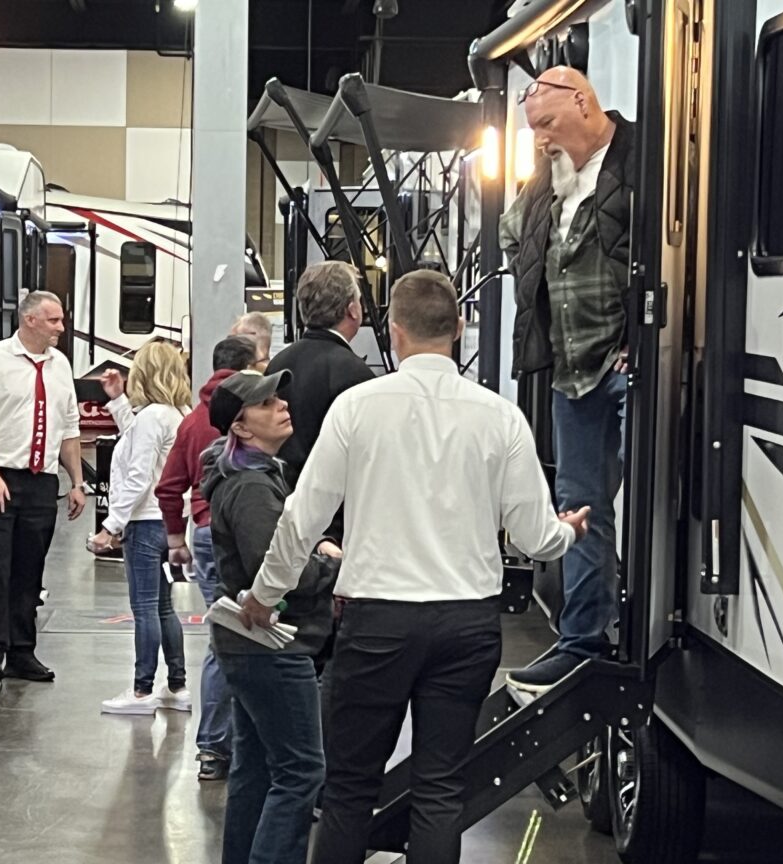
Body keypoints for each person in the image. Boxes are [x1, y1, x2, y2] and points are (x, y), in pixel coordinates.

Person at [241, 270, 589, 864]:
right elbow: (534, 535)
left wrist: (263, 595)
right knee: (440, 791)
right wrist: (567, 532)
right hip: (466, 627)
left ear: (394, 333)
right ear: (457, 329)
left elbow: (302, 519)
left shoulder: (357, 409)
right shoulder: (500, 417)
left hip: (376, 624)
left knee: (349, 791)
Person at [498, 67, 635, 695]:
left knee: (650, 498)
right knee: (579, 511)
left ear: (583, 102)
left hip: (627, 365)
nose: (544, 138)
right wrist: (535, 171)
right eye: (534, 130)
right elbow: (511, 244)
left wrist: (646, 341)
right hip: (571, 374)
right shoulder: (545, 187)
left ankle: (641, 620)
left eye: (547, 123)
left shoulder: (639, 161)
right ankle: (581, 642)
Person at [202, 369, 337, 864]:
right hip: (273, 645)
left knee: (255, 770)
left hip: (246, 646)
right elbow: (273, 571)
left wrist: (311, 545)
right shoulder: (254, 487)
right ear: (240, 427)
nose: (281, 405)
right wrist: (330, 567)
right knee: (301, 771)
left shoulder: (252, 478)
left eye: (279, 397)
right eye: (266, 404)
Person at [0, 291, 88, 682]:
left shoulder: (60, 365)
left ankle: (22, 650)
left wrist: (77, 481)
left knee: (30, 570)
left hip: (41, 481)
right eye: (54, 321)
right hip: (1, 478)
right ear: (30, 320)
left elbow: (69, 428)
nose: (61, 329)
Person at [154, 335, 263, 780]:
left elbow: (168, 486)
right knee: (246, 639)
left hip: (202, 531)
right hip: (243, 533)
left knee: (221, 642)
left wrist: (177, 537)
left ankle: (214, 749)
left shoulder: (194, 420)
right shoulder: (250, 418)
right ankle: (233, 743)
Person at [89, 341, 194, 715]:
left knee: (145, 607)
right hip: (169, 521)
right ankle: (177, 686)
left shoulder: (153, 417)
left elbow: (137, 477)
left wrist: (110, 526)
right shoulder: (178, 413)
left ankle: (141, 690)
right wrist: (117, 402)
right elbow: (137, 439)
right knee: (165, 607)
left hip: (144, 522)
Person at [264, 261, 374, 492]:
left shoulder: (277, 364)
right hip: (335, 511)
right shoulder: (355, 373)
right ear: (352, 309)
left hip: (280, 496)